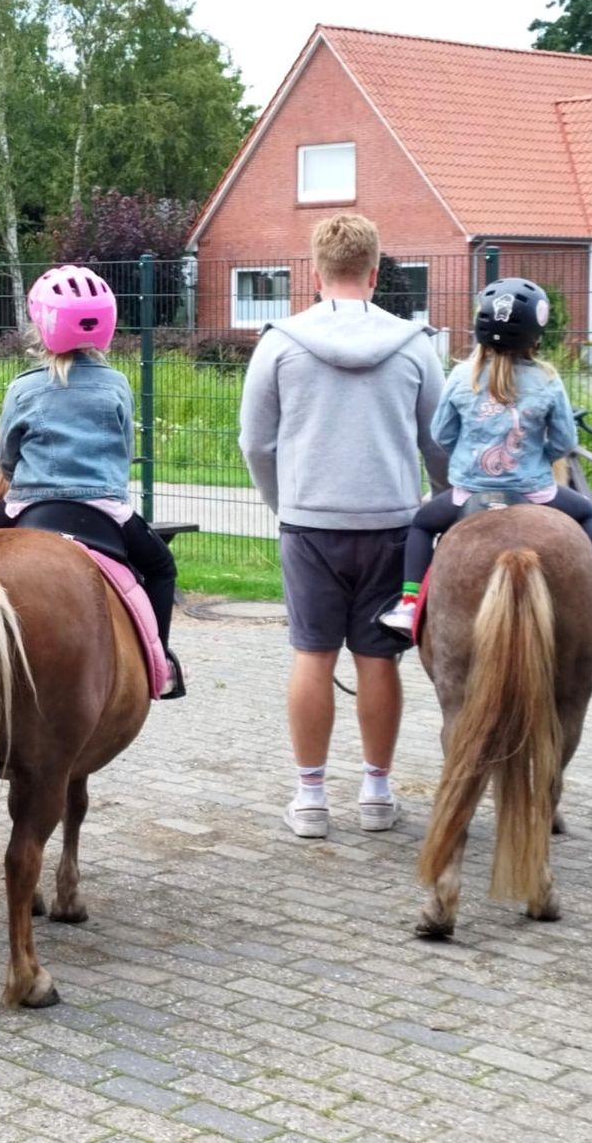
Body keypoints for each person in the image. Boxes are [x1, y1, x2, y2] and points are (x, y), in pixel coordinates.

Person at [238, 214, 449, 841]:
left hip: (309, 523)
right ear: (375, 271)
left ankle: (310, 799)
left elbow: (256, 442)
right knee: (378, 658)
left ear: (315, 271)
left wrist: (282, 503)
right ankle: (377, 793)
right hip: (393, 525)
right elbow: (437, 442)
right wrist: (441, 505)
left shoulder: (279, 343)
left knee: (312, 654)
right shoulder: (414, 345)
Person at [0, 264, 185, 697]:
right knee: (161, 568)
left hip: (29, 505)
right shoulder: (117, 384)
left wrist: (24, 486)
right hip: (104, 509)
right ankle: (161, 664)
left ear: (41, 325)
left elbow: (7, 454)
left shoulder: (23, 388)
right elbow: (123, 449)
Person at [379, 277, 592, 635]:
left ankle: (408, 604)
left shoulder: (461, 375)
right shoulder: (547, 379)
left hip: (469, 492)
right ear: (535, 335)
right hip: (534, 491)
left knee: (421, 524)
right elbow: (564, 440)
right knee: (588, 513)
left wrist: (468, 456)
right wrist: (539, 458)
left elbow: (441, 434)